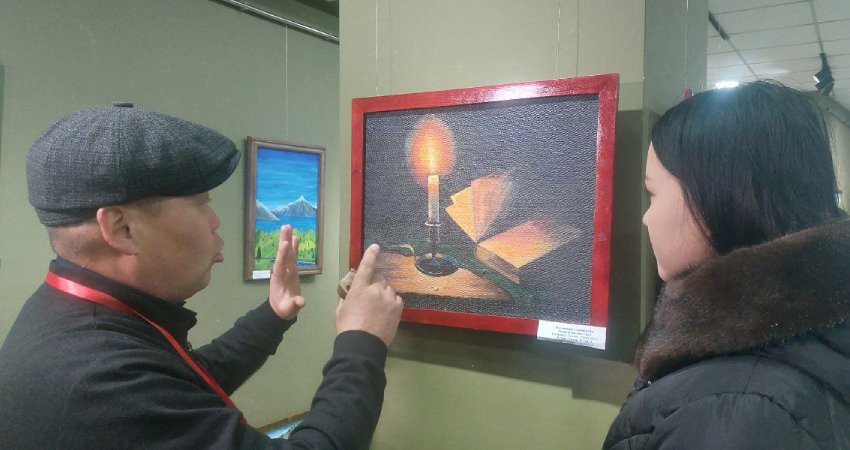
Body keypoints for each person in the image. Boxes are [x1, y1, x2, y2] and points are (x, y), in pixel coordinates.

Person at [0, 103, 403, 450]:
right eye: (201, 203)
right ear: (122, 229)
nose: (214, 221)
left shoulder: (69, 318)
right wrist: (361, 340)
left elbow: (183, 380)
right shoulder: (99, 383)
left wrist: (273, 313)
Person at [603, 81, 850, 449]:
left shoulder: (740, 415)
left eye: (652, 193)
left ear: (719, 197)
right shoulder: (804, 346)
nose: (645, 218)